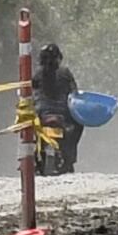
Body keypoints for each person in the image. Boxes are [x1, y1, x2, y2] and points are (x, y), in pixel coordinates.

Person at [33, 38, 83, 173]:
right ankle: (70, 158)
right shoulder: (65, 72)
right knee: (79, 124)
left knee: (28, 128)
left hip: (41, 114)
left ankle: (30, 157)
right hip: (63, 115)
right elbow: (74, 93)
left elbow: (30, 93)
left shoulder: (37, 74)